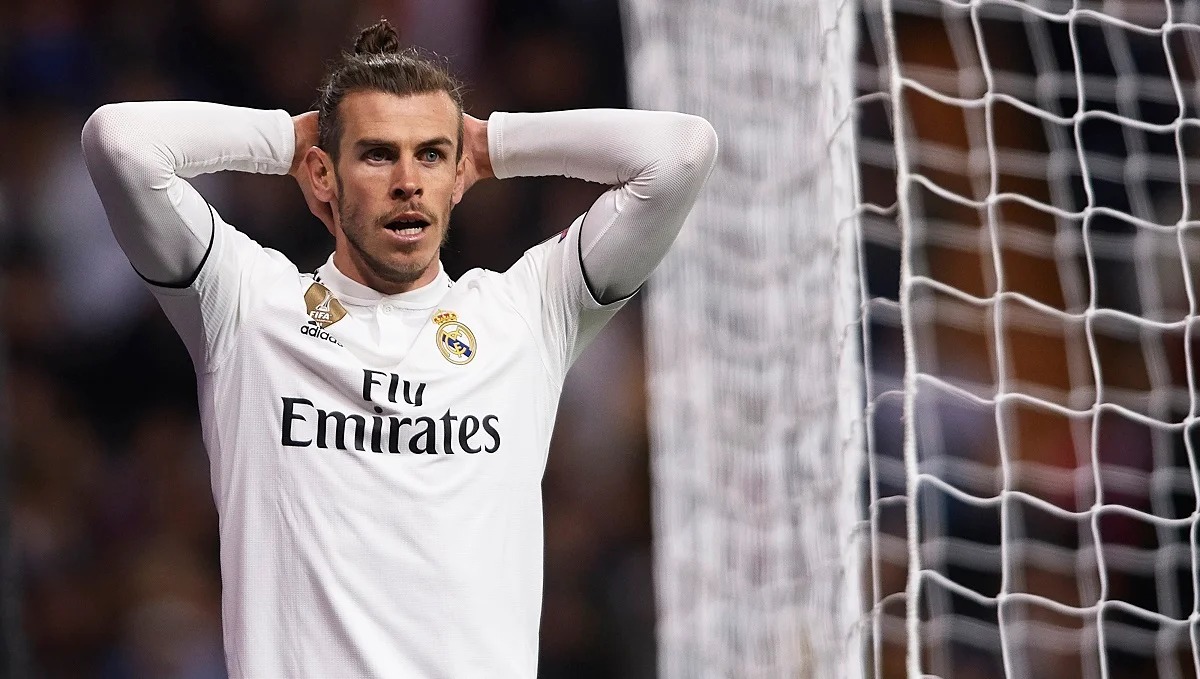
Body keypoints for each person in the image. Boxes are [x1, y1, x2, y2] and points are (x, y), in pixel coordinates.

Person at [81, 18, 716, 679]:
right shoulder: (248, 308)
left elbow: (682, 153)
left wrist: (492, 143)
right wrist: (288, 140)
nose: (409, 180)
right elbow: (121, 144)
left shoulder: (526, 313)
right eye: (378, 154)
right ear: (323, 175)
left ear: (459, 175)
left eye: (432, 155)